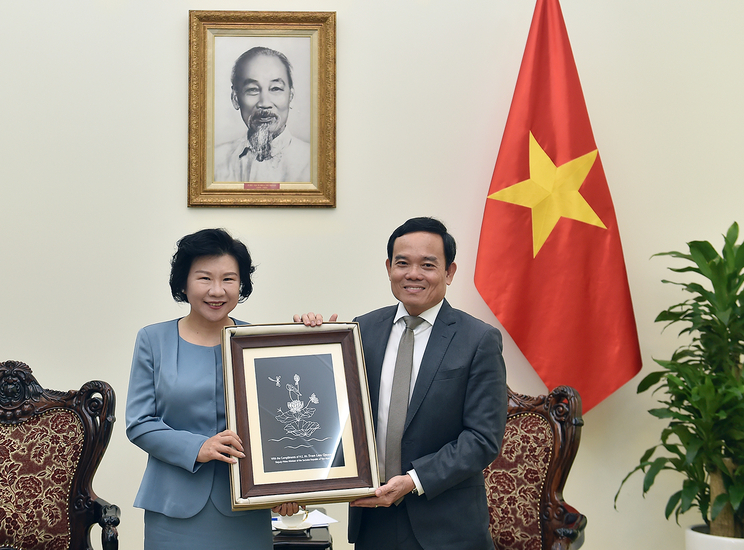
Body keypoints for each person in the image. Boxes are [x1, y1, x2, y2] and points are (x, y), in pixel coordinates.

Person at [298, 217, 507, 550]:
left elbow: (482, 438)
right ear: (388, 267)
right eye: (403, 263)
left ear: (449, 272)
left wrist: (413, 481)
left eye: (427, 265)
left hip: (447, 525)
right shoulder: (360, 330)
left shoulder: (478, 339)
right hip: (374, 518)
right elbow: (330, 411)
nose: (413, 274)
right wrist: (311, 344)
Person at [126, 228, 300, 550]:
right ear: (184, 282)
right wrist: (198, 447)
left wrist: (288, 488)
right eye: (204, 278)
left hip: (245, 507)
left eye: (229, 279)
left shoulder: (260, 342)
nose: (217, 291)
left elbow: (279, 421)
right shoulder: (153, 340)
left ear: (242, 285)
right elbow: (139, 423)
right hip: (173, 510)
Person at [214, 46, 310, 183]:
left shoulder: (313, 162)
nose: (264, 103)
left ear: (291, 97)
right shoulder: (215, 162)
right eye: (252, 89)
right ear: (235, 99)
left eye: (275, 88)